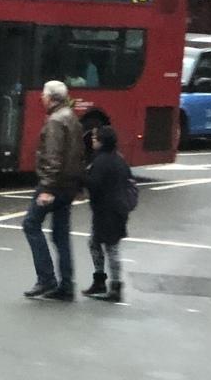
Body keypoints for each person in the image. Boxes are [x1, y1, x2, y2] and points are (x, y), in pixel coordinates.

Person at [22, 80, 86, 300]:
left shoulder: (56, 121)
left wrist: (47, 188)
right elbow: (79, 155)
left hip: (54, 185)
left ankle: (46, 279)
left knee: (31, 224)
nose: (41, 98)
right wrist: (78, 185)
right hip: (68, 185)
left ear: (50, 98)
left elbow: (53, 157)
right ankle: (66, 285)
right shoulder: (72, 118)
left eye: (43, 94)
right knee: (61, 235)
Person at [83, 125, 131, 302]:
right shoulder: (118, 159)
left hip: (107, 210)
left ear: (102, 141)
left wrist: (82, 178)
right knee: (96, 243)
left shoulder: (101, 161)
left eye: (95, 138)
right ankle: (103, 281)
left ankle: (114, 286)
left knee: (110, 247)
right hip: (117, 209)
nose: (92, 140)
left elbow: (94, 184)